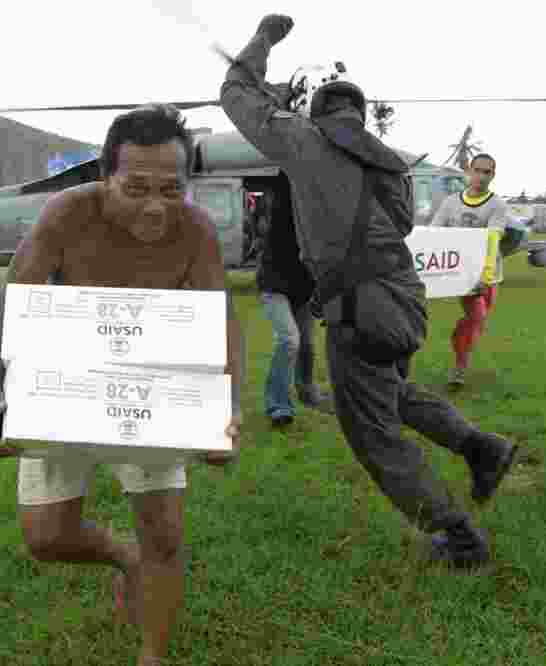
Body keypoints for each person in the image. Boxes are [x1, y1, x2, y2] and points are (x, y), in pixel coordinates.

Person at [220, 15, 517, 570]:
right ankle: (482, 448)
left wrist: (264, 39)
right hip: (404, 297)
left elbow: (234, 93)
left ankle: (458, 537)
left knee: (371, 432)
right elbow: (399, 226)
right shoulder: (388, 162)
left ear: (315, 111)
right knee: (388, 393)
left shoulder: (302, 139)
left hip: (360, 306)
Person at [0, 103, 245, 665]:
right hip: (65, 379)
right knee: (47, 538)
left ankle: (153, 656)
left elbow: (219, 319)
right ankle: (124, 558)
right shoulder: (66, 214)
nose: (154, 206)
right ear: (106, 177)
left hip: (157, 387)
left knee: (165, 534)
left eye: (171, 190)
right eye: (137, 187)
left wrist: (227, 407)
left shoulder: (196, 232)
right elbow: (9, 297)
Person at [256, 175, 330, 427]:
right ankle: (278, 406)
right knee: (290, 340)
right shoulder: (284, 202)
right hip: (274, 284)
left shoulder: (322, 217)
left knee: (307, 344)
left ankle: (307, 391)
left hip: (304, 289)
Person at [430, 154, 508, 389]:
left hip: (489, 274)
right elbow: (434, 232)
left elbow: (493, 237)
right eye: (477, 170)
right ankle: (459, 368)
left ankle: (460, 340)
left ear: (493, 175)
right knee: (477, 317)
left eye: (487, 172)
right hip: (462, 275)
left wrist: (485, 275)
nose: (481, 176)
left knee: (477, 322)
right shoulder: (450, 202)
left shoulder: (497, 205)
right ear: (469, 171)